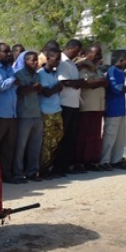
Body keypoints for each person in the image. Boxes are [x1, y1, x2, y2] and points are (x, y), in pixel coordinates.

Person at [0, 43, 19, 182]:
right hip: (0, 114)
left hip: (12, 113)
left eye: (9, 51)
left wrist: (11, 80)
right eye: (5, 52)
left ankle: (7, 175)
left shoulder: (9, 68)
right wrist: (13, 79)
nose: (8, 54)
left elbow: (12, 85)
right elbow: (1, 86)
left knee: (9, 146)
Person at [55, 39, 87, 173]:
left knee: (71, 136)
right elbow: (65, 82)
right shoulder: (62, 62)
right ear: (70, 48)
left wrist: (78, 82)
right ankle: (58, 166)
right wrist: (80, 82)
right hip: (65, 104)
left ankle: (66, 165)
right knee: (63, 136)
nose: (77, 54)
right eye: (76, 51)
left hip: (74, 104)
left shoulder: (72, 64)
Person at [75, 45, 108, 171]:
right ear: (89, 53)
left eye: (100, 54)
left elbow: (105, 82)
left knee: (95, 136)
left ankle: (92, 161)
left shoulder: (97, 69)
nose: (99, 56)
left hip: (98, 106)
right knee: (84, 135)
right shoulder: (81, 66)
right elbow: (86, 83)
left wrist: (100, 82)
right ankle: (80, 161)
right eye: (96, 53)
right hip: (87, 106)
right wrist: (100, 82)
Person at [13, 51, 44, 182]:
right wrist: (32, 87)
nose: (35, 63)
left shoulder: (37, 75)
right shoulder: (19, 74)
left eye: (36, 60)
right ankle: (18, 173)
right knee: (20, 146)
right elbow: (20, 91)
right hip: (24, 114)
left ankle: (33, 172)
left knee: (35, 146)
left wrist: (38, 88)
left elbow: (40, 91)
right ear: (26, 61)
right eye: (33, 60)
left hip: (36, 113)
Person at [100, 51, 126, 170]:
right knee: (110, 136)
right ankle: (104, 160)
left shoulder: (122, 72)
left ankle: (116, 159)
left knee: (120, 138)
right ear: (122, 60)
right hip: (113, 109)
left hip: (121, 108)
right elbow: (116, 89)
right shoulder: (112, 70)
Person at [37, 48, 65, 177]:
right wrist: (57, 87)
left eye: (59, 59)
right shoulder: (41, 74)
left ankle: (50, 166)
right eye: (56, 59)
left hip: (56, 110)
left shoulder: (54, 73)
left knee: (57, 139)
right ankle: (43, 169)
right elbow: (46, 92)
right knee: (47, 142)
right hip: (46, 111)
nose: (58, 61)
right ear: (48, 59)